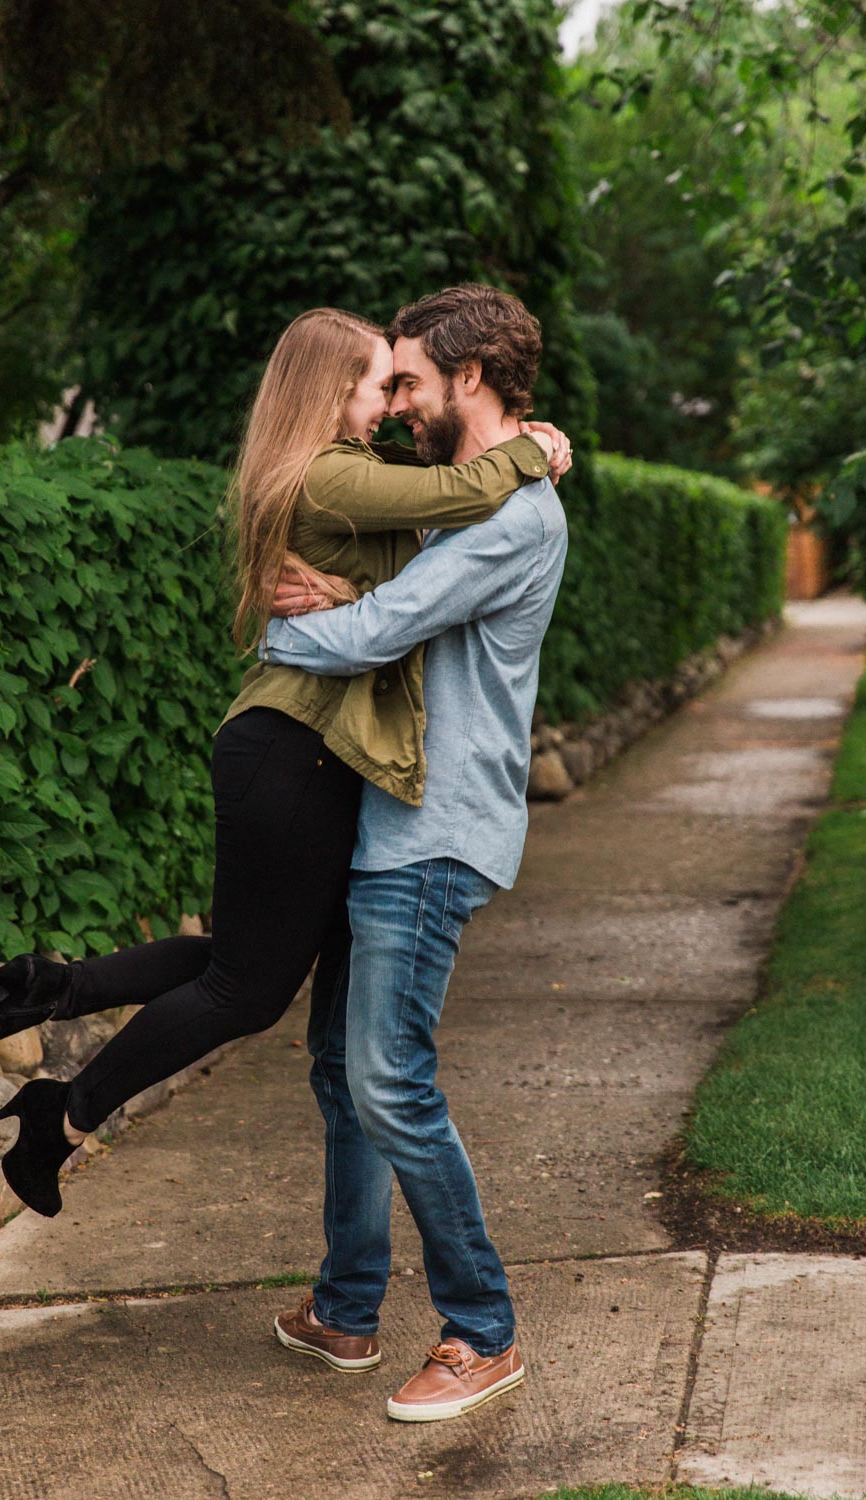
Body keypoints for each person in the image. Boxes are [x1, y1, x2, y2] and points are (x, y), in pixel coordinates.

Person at [0, 302, 569, 1222]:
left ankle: (38, 991)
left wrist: (350, 594)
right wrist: (536, 451)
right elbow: (447, 515)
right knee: (247, 988)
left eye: (402, 383)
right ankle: (64, 1113)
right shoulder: (329, 473)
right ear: (332, 389)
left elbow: (412, 573)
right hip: (293, 751)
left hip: (292, 751)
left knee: (243, 963)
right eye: (376, 383)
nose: (390, 402)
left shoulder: (344, 472)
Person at [264, 284, 568, 1422]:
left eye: (407, 384)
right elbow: (387, 590)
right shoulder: (465, 500)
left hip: (434, 832)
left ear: (468, 381)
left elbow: (383, 630)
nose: (390, 406)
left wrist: (273, 620)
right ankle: (346, 1309)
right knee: (343, 1074)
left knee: (389, 1077)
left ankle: (482, 1330)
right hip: (385, 816)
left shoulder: (507, 519)